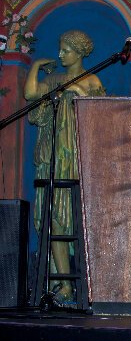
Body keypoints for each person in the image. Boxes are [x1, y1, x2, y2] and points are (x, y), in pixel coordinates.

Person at [24, 30, 106, 303]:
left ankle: (77, 284)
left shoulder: (92, 79)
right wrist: (35, 66)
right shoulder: (53, 79)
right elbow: (31, 95)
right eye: (59, 50)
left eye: (66, 51)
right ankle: (61, 284)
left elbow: (98, 114)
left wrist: (77, 89)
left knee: (70, 216)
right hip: (52, 155)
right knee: (53, 218)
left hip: (73, 156)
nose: (60, 55)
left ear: (80, 52)